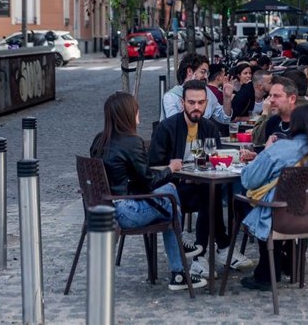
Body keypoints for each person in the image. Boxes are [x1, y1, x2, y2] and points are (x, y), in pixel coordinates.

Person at [90, 92, 207, 291]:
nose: (139, 112)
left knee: (170, 203)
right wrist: (171, 168)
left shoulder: (99, 140)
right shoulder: (131, 142)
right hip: (125, 212)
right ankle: (179, 267)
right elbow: (149, 183)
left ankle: (179, 267)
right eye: (136, 108)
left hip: (103, 208)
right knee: (170, 194)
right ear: (128, 113)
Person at [149, 80, 253, 278]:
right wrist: (178, 174)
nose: (196, 107)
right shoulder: (167, 128)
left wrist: (241, 156)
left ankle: (205, 253)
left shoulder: (209, 128)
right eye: (191, 102)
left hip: (201, 186)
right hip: (173, 190)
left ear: (206, 103)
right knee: (210, 194)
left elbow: (218, 157)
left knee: (213, 192)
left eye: (201, 103)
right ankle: (216, 250)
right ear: (182, 103)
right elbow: (154, 167)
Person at [239, 104, 308, 291]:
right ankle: (289, 261)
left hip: (282, 219)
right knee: (283, 203)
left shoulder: (281, 149)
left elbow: (248, 180)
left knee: (245, 203)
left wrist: (265, 151)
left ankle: (267, 270)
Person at [161, 53, 233, 123]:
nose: (205, 77)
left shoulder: (208, 93)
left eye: (207, 73)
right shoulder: (171, 96)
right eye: (202, 72)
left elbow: (224, 118)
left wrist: (227, 98)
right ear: (189, 71)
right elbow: (175, 125)